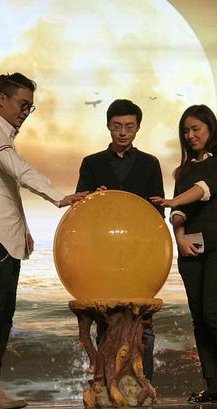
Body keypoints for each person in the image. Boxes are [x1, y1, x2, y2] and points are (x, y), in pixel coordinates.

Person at [0, 72, 87, 409]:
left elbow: (3, 192)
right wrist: (59, 196)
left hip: (4, 238)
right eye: (22, 104)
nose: (25, 112)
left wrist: (23, 230)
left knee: (3, 314)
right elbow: (19, 170)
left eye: (29, 107)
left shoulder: (0, 135)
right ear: (1, 99)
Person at [150, 104, 217, 403]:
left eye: (196, 129)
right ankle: (213, 387)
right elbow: (179, 212)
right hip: (191, 249)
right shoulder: (183, 170)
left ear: (210, 128)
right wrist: (179, 238)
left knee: (215, 313)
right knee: (199, 319)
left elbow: (203, 190)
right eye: (185, 131)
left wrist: (172, 201)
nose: (190, 135)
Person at [76, 99, 165, 381]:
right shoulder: (91, 163)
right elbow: (80, 210)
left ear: (138, 128)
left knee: (142, 323)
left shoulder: (150, 163)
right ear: (108, 126)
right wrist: (95, 199)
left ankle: (142, 386)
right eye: (117, 126)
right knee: (106, 321)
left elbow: (158, 213)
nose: (123, 132)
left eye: (129, 126)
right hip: (104, 256)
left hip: (140, 255)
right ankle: (106, 385)